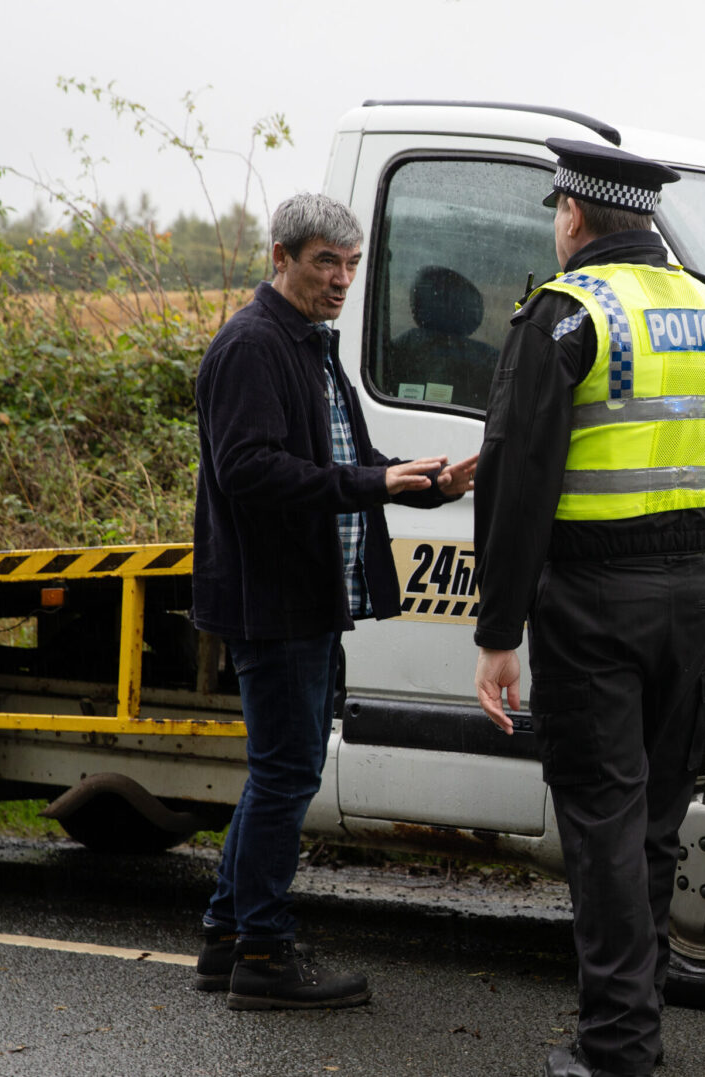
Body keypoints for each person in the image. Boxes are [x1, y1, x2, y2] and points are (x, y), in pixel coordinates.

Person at [472, 139, 705, 1077]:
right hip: (690, 600)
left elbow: (519, 484)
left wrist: (497, 631)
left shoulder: (566, 315)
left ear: (573, 216)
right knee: (653, 825)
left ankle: (618, 1045)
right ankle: (634, 1026)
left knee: (601, 822)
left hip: (594, 606)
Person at [191, 193, 477, 1010]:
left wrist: (420, 483)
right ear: (279, 257)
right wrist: (372, 480)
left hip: (310, 598)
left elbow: (341, 458)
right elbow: (250, 471)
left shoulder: (311, 346)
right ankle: (265, 956)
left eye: (351, 264)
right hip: (273, 600)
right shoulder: (252, 346)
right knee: (286, 776)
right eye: (325, 261)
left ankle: (225, 935)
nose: (342, 279)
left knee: (278, 773)